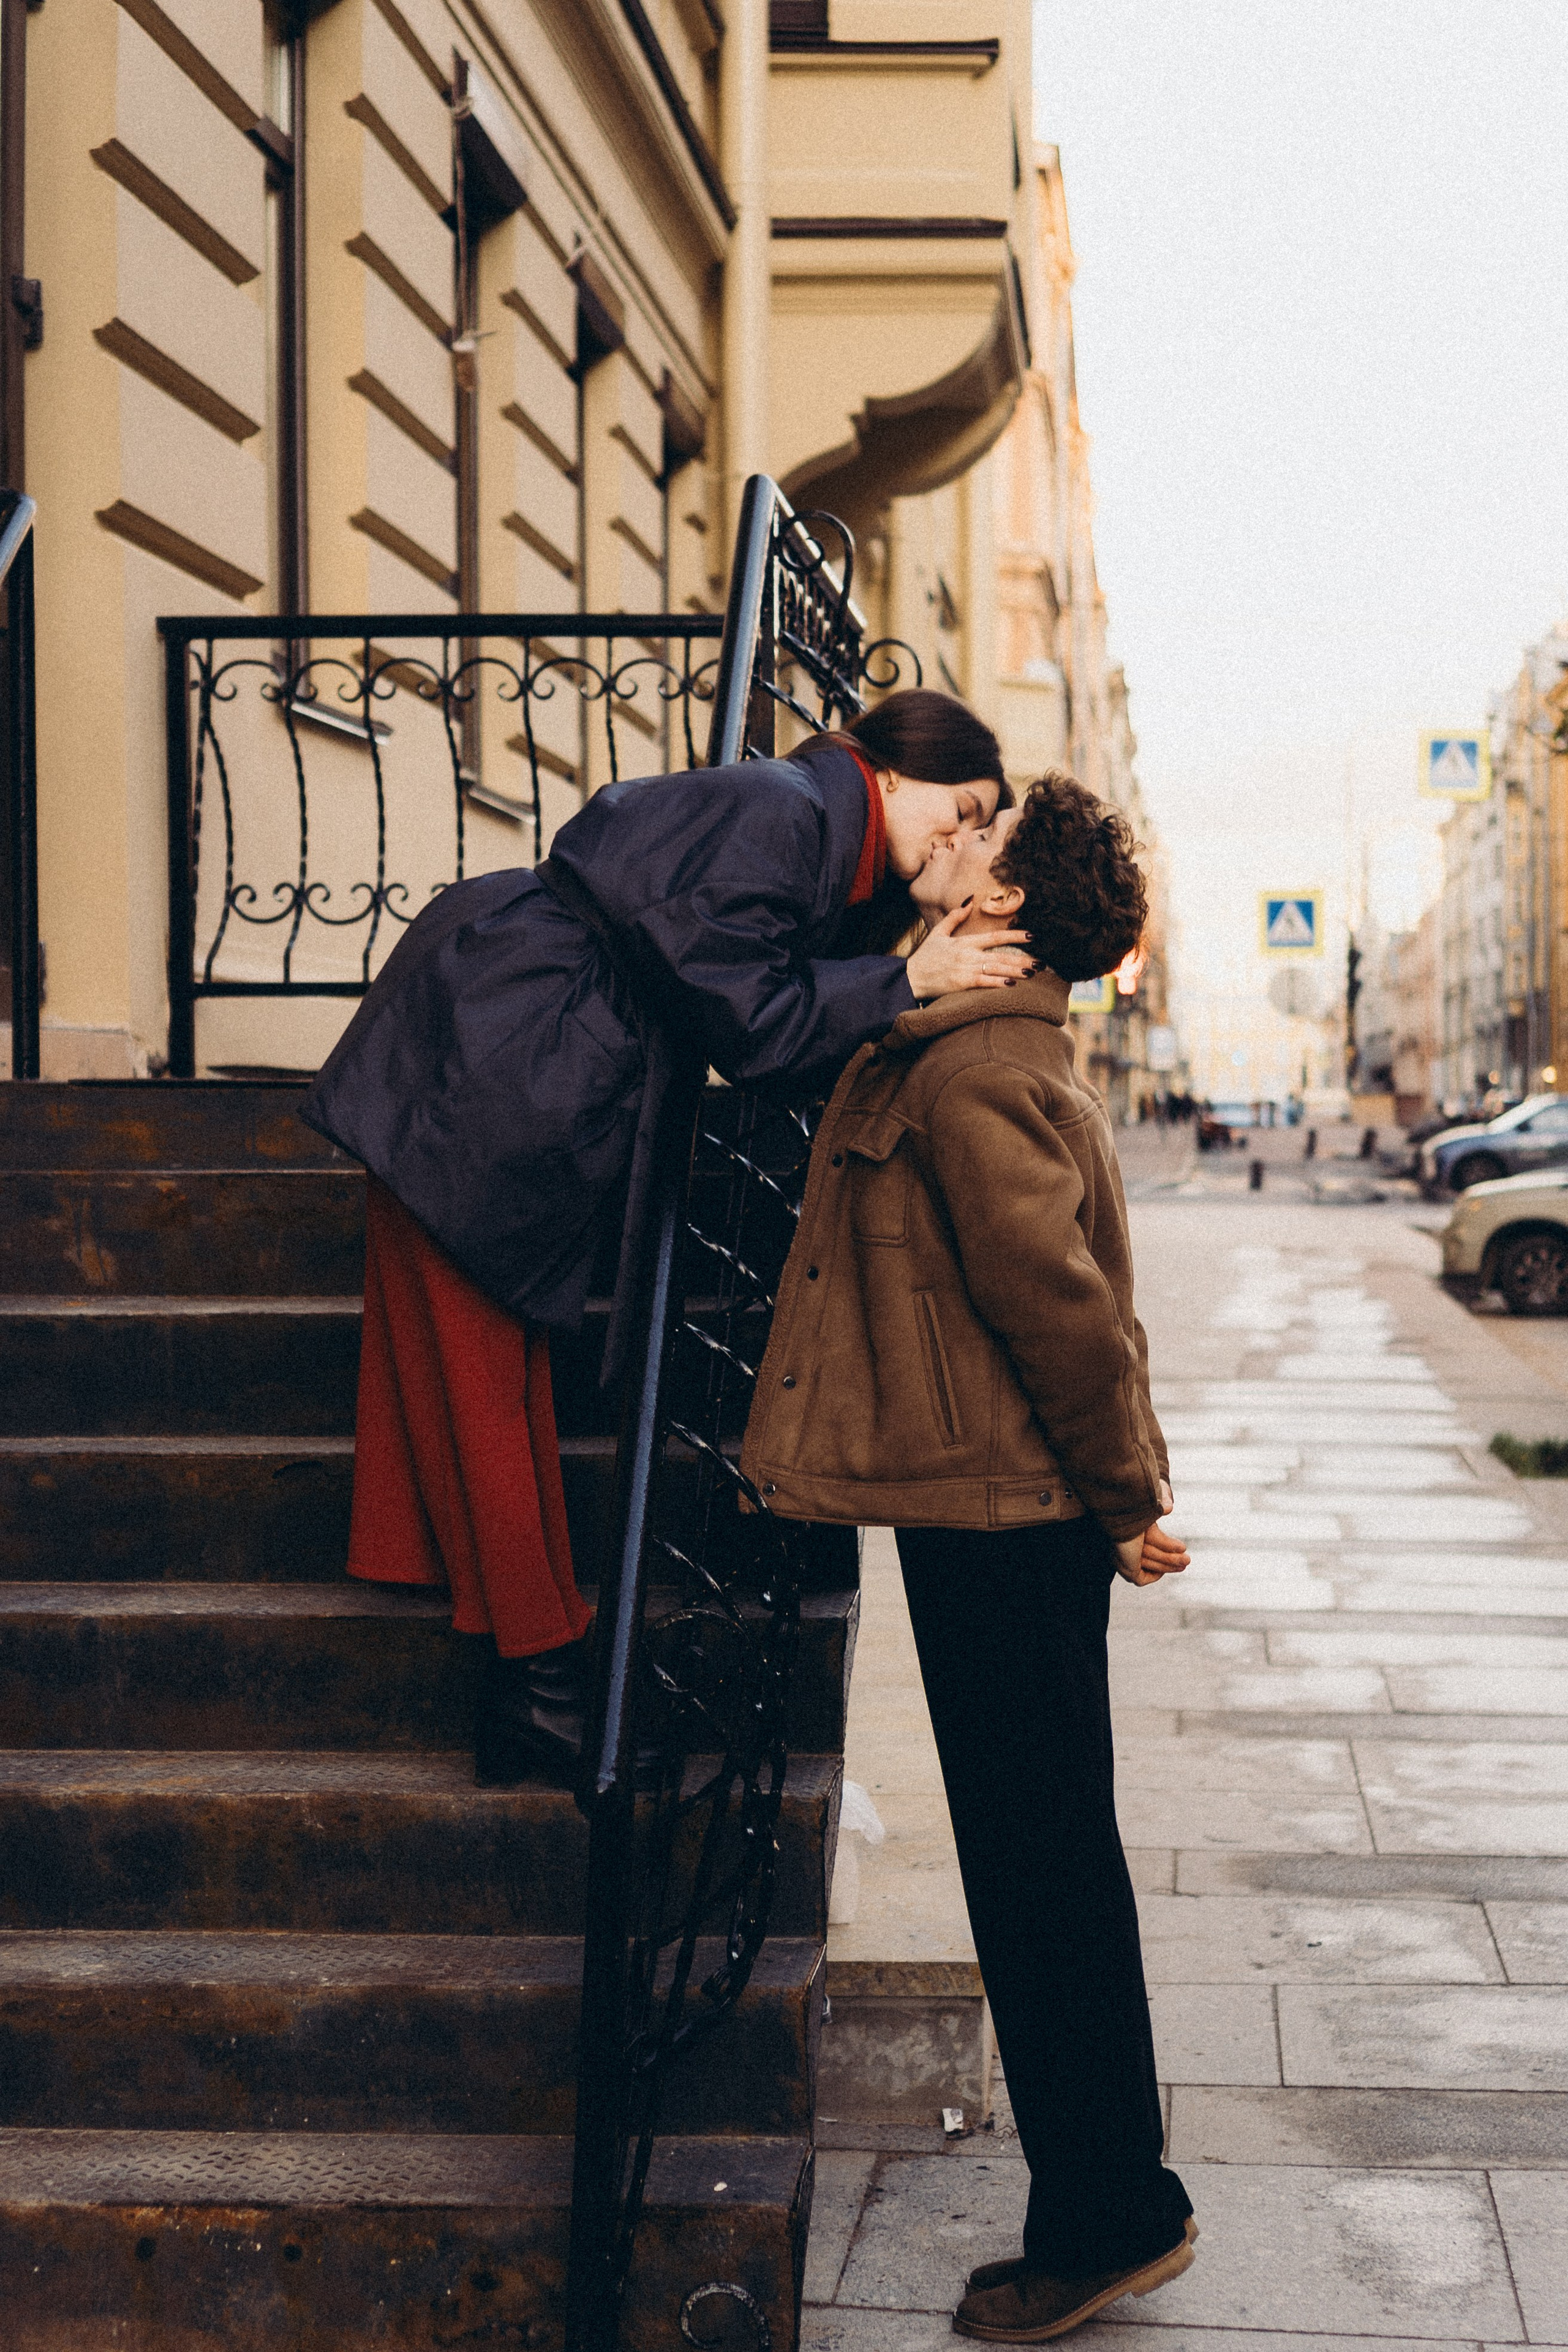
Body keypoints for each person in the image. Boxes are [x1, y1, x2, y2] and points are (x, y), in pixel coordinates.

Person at [301, 691, 1033, 1786]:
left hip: (503, 1041)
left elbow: (758, 989)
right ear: (891, 768)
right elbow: (750, 1015)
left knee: (477, 1381)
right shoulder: (787, 810)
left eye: (983, 830)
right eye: (961, 808)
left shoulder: (810, 829)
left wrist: (914, 949)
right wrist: (909, 977)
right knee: (482, 1388)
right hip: (498, 1051)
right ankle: (542, 1690)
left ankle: (533, 1684)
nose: (961, 836)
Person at [741, 771, 1194, 2343]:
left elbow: (1061, 1307)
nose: (946, 846)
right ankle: (1108, 2197)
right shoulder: (956, 1044)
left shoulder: (972, 1073)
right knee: (1042, 1856)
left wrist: (1126, 1496)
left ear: (999, 906)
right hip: (983, 1508)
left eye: (976, 842)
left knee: (1043, 1869)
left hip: (1012, 1521)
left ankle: (1111, 2211)